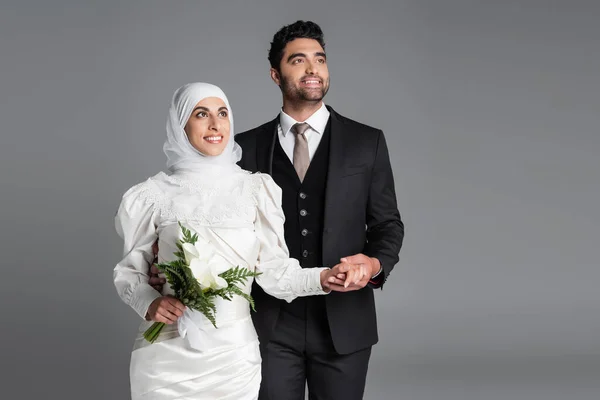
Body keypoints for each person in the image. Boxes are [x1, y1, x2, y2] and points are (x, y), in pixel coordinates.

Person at [114, 82, 365, 400]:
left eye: (222, 113)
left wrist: (324, 278)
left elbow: (275, 275)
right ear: (180, 123)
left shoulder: (256, 190)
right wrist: (149, 302)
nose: (215, 125)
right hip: (166, 357)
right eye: (201, 114)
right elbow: (130, 273)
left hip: (233, 358)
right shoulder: (152, 195)